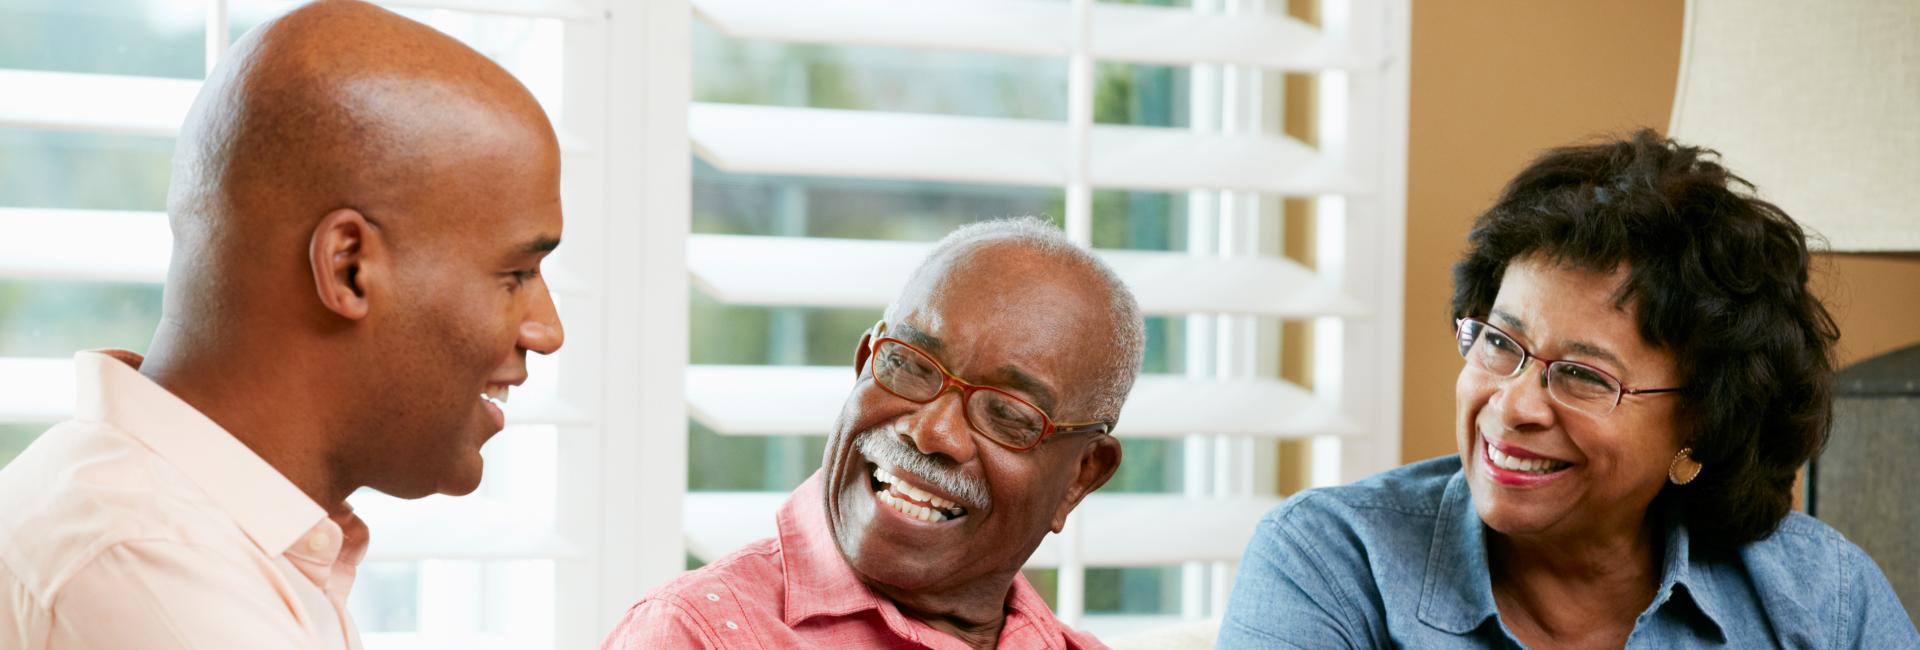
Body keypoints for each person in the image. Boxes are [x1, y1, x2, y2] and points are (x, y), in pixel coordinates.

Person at [0, 1, 566, 647]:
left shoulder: (191, 537)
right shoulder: (152, 575)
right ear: (350, 268)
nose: (546, 330)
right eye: (516, 274)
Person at [1218, 130, 1918, 648]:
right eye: (1500, 343)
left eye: (1583, 375)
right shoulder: (1331, 564)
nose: (1514, 405)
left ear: (1702, 424)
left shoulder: (1823, 599)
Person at [602, 218, 1144, 650]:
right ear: (865, 362)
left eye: (1006, 412)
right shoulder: (695, 635)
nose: (931, 431)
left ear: (1081, 476)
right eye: (911, 366)